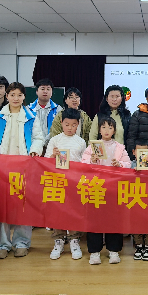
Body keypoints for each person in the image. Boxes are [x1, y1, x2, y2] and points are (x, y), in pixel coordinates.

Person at [0, 82, 43, 259]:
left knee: (23, 206)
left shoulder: (31, 116)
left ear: (24, 97)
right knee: (3, 206)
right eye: (12, 95)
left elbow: (38, 138)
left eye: (19, 95)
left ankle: (22, 243)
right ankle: (3, 244)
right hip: (2, 168)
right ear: (7, 96)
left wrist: (35, 149)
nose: (16, 98)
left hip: (24, 168)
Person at [81, 117, 131, 265]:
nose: (107, 130)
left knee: (114, 220)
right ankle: (94, 252)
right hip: (96, 188)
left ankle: (113, 250)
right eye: (103, 127)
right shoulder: (92, 147)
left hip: (114, 189)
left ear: (114, 131)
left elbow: (128, 164)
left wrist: (119, 164)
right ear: (99, 130)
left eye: (110, 127)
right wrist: (92, 160)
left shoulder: (119, 147)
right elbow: (83, 163)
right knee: (94, 220)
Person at [45, 108, 87, 261]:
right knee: (58, 210)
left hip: (74, 181)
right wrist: (53, 155)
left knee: (74, 210)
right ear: (62, 123)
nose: (70, 128)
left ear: (78, 125)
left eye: (73, 125)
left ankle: (74, 240)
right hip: (58, 181)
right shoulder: (55, 140)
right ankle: (59, 240)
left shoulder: (81, 142)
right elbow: (45, 161)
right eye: (67, 124)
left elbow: (84, 163)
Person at [130, 147, 148, 261]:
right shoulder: (131, 164)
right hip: (136, 197)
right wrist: (133, 171)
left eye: (145, 152)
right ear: (134, 152)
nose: (142, 154)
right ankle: (138, 246)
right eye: (139, 151)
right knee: (136, 221)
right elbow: (123, 175)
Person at [28, 78, 61, 148]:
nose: (45, 91)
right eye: (42, 89)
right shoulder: (28, 109)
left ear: (51, 92)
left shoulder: (58, 110)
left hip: (52, 146)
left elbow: (58, 130)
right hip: (32, 147)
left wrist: (46, 143)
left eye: (48, 89)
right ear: (37, 91)